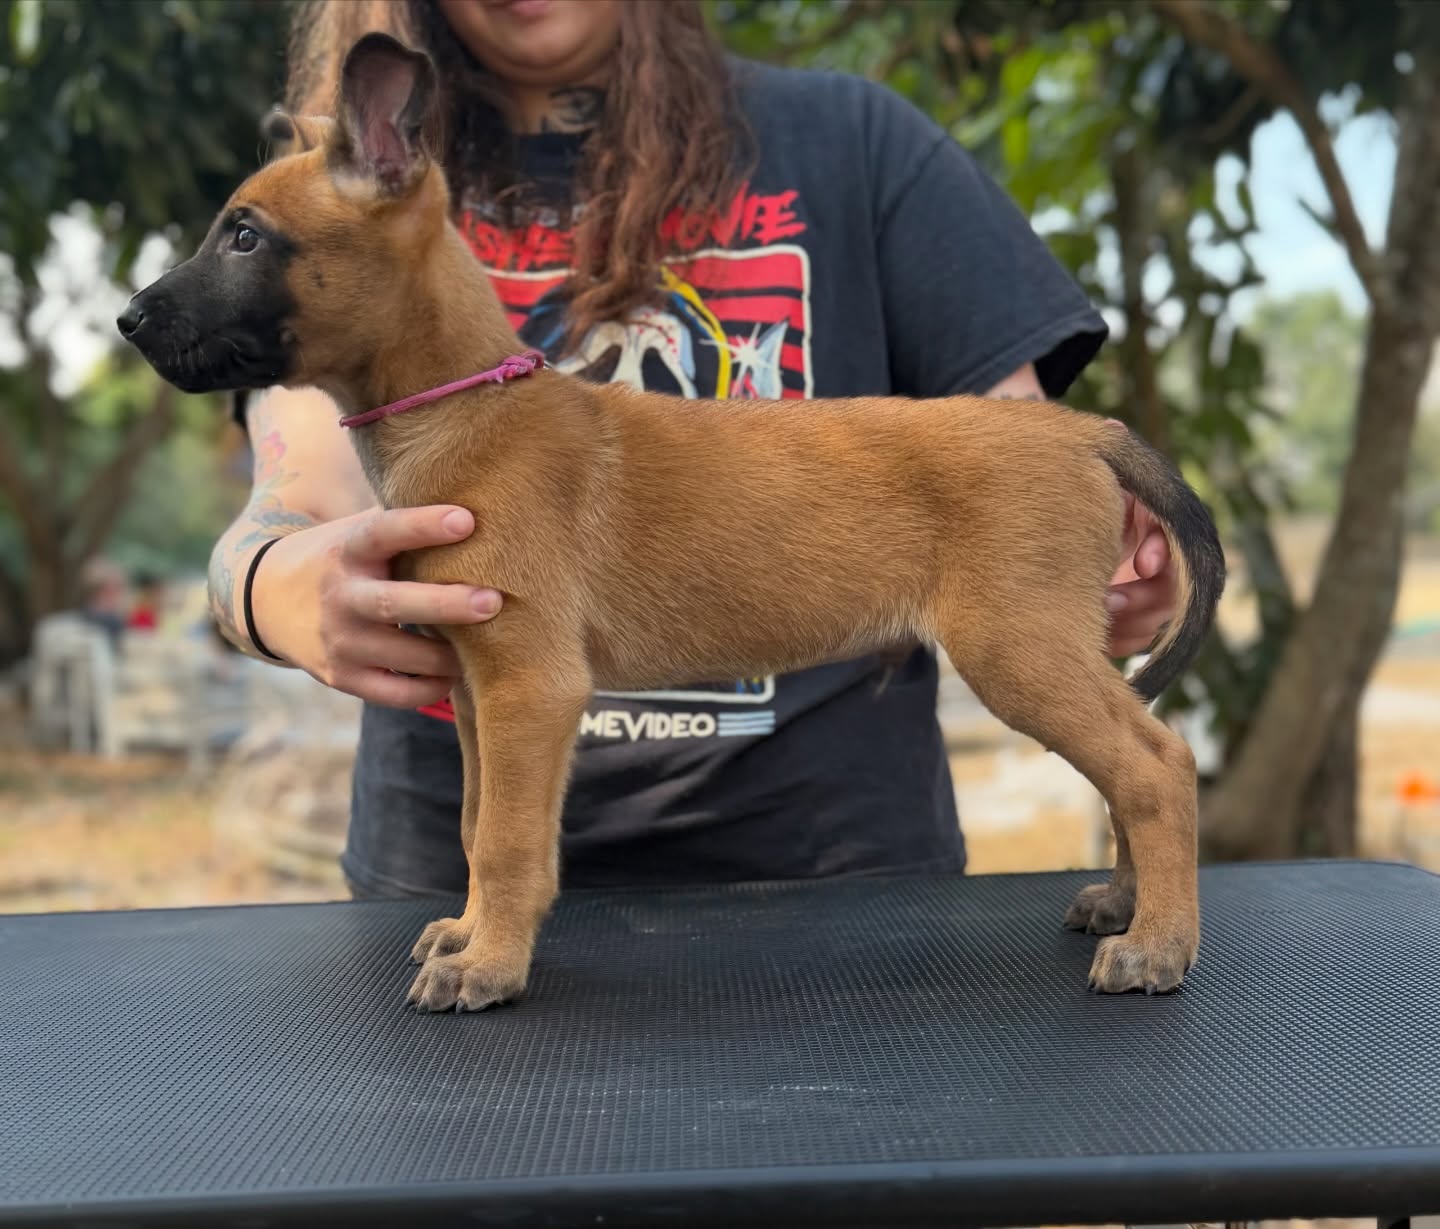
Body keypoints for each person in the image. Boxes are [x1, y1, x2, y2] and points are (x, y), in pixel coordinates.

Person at [208, 0, 1176, 899]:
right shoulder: (343, 204)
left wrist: (1111, 559)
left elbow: (1000, 447)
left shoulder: (856, 141)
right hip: (438, 879)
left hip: (836, 876)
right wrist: (262, 585)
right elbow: (302, 487)